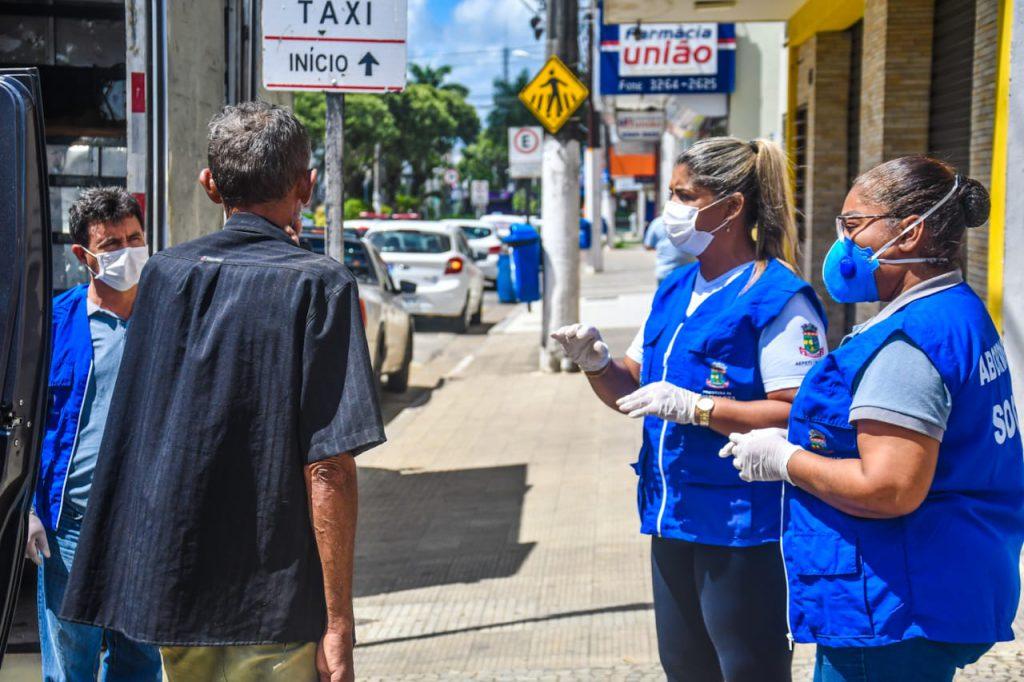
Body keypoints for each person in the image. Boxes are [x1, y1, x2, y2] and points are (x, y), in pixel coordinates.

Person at [60, 101, 386, 681]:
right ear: (305, 186)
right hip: (277, 610)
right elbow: (329, 468)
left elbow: (134, 437)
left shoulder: (162, 276)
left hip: (175, 597)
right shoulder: (321, 286)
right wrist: (339, 625)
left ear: (210, 186)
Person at [721, 156, 1024, 681]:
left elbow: (890, 488)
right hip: (945, 582)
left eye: (855, 225)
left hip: (892, 606)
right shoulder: (958, 309)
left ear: (909, 233)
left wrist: (787, 461)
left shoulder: (907, 344)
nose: (842, 243)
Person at [552, 137, 829, 682]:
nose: (670, 210)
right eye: (671, 194)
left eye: (684, 195)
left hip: (740, 525)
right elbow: (632, 387)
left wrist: (700, 408)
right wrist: (594, 363)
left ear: (731, 207)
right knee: (684, 668)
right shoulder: (676, 287)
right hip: (670, 514)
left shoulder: (778, 298)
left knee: (746, 670)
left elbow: (800, 410)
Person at [26, 187, 162, 681]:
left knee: (140, 662)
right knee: (69, 664)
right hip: (71, 527)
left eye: (135, 238)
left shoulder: (166, 319)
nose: (128, 251)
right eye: (112, 245)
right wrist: (30, 512)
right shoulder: (55, 324)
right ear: (84, 256)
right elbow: (29, 421)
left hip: (146, 524)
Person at [643, 214, 691, 283]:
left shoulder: (657, 222)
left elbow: (648, 246)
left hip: (665, 272)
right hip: (687, 273)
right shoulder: (690, 221)